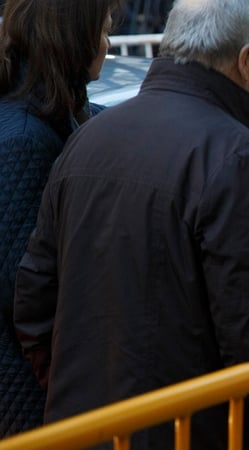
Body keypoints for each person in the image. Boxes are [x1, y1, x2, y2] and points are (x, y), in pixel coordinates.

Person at [13, 0, 249, 449]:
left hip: (82, 429)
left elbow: (34, 298)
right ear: (246, 60)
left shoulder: (90, 135)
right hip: (190, 432)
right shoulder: (240, 157)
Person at [0, 0, 122, 437]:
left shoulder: (55, 115)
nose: (108, 45)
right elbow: (25, 295)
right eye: (104, 31)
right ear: (76, 35)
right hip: (27, 401)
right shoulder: (25, 138)